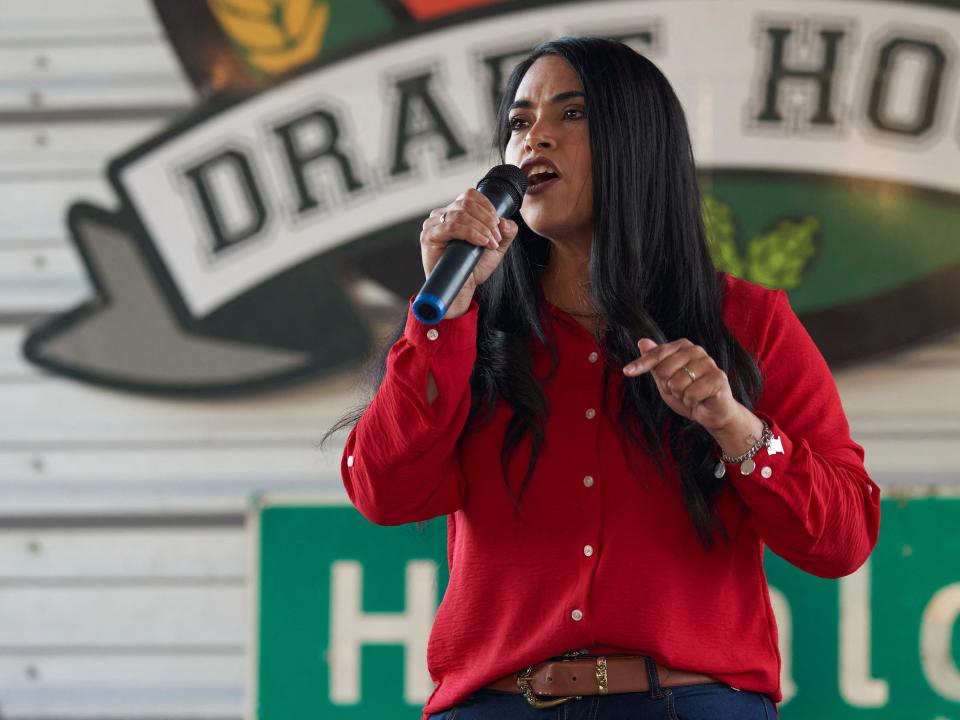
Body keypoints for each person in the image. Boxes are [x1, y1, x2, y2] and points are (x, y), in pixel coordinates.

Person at [328, 36, 881, 719]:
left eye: (573, 114)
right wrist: (441, 321)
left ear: (638, 144)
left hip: (690, 705)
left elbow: (844, 538)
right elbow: (384, 490)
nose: (536, 139)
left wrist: (735, 427)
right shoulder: (463, 326)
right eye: (520, 122)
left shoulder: (746, 321)